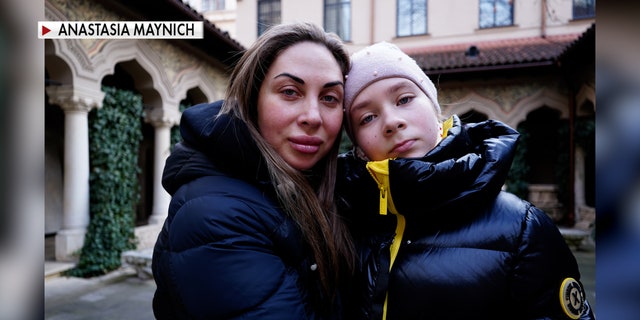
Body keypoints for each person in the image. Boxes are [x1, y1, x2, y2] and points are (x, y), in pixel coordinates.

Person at [336, 42, 595, 320]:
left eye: (404, 99)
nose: (391, 121)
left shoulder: (522, 229)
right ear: (358, 146)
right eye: (367, 117)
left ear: (435, 110)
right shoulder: (341, 222)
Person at [152, 22, 356, 319]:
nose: (313, 117)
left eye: (329, 98)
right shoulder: (215, 214)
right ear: (252, 101)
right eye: (290, 92)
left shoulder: (313, 189)